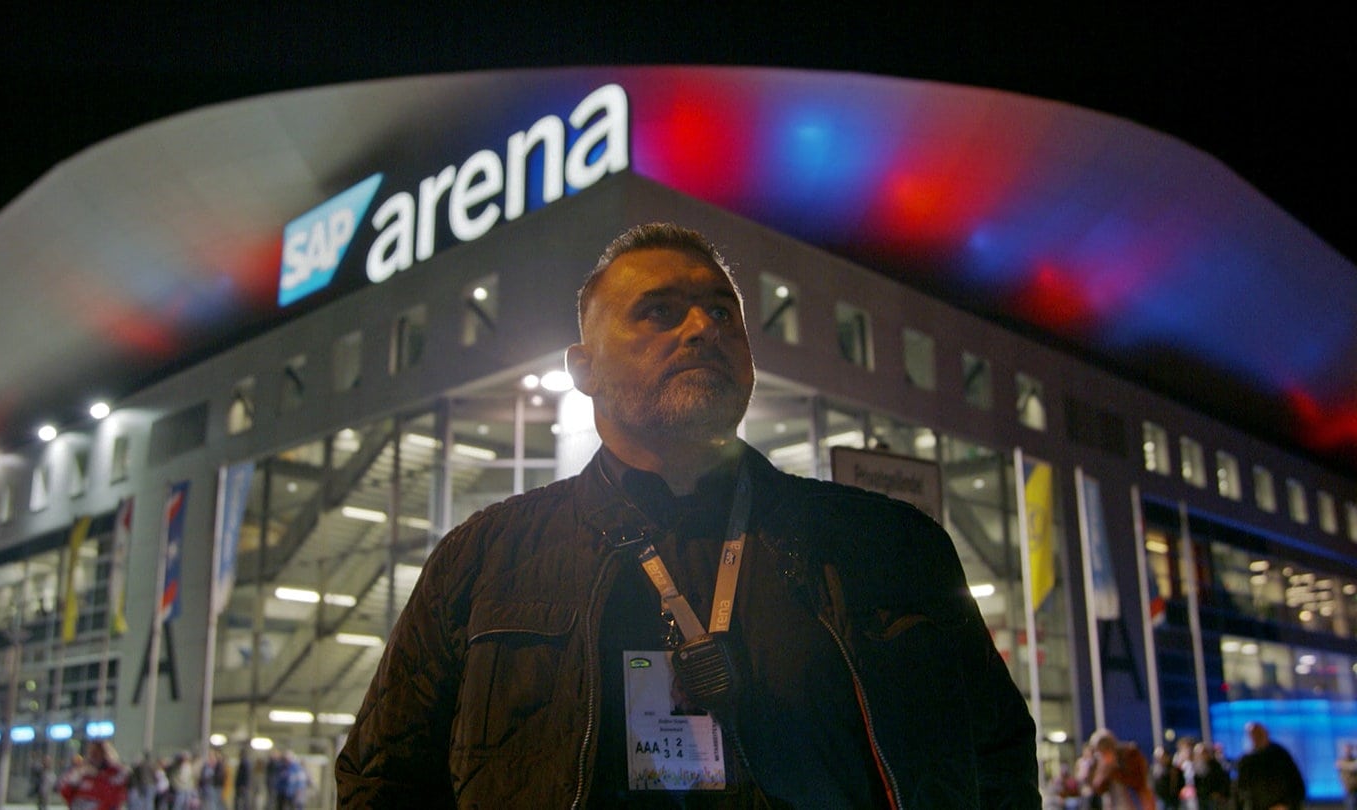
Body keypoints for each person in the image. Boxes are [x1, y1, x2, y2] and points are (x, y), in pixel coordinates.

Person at [335, 222, 1040, 807]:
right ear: (581, 369)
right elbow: (381, 780)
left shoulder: (890, 547)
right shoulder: (483, 560)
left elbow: (1000, 761)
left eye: (722, 312)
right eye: (659, 311)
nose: (703, 327)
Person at [1233, 722, 1305, 810]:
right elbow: (1241, 790)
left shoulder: (1280, 754)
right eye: (1253, 735)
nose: (1256, 737)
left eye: (1259, 734)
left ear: (1266, 734)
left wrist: (1286, 804)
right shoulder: (1246, 760)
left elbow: (1296, 783)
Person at [1082, 729, 1156, 810]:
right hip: (1116, 804)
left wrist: (1114, 770)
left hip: (1137, 803)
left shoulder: (1130, 754)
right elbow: (1099, 788)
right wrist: (1102, 772)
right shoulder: (1101, 762)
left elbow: (1139, 780)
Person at [58, 740, 130, 810]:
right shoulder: (81, 773)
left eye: (98, 752)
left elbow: (115, 796)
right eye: (92, 753)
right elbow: (65, 791)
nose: (94, 756)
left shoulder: (115, 774)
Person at [1190, 741, 1231, 810]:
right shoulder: (1196, 768)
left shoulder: (1215, 766)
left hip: (1214, 798)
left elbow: (1222, 780)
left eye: (1204, 753)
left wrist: (1220, 793)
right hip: (1202, 798)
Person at [1337, 742, 1357, 810]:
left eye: (1350, 749)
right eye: (1346, 749)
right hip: (1349, 791)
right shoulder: (1340, 761)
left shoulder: (1354, 759)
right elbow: (1352, 767)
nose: (1348, 751)